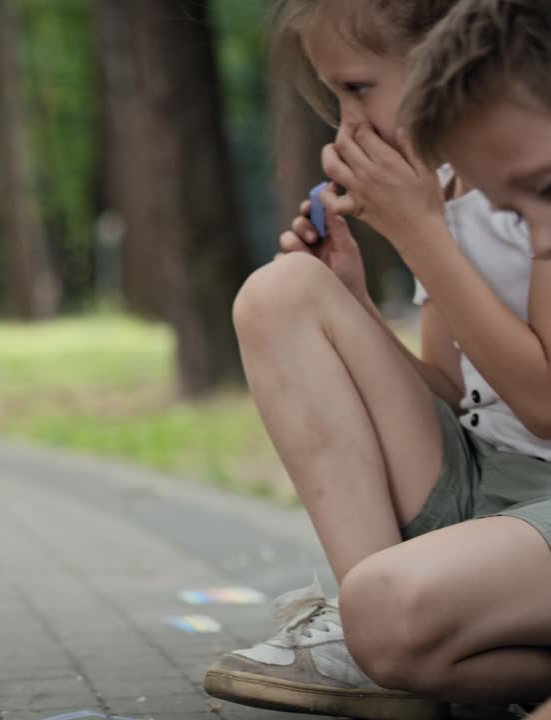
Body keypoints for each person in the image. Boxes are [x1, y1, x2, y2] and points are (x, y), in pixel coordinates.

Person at [202, 0, 551, 716]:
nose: (346, 128)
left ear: (453, 51)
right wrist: (355, 302)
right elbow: (456, 391)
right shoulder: (446, 187)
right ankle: (366, 642)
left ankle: (385, 631)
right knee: (281, 293)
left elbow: (545, 405)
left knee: (390, 611)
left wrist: (419, 231)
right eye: (336, 97)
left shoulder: (533, 181)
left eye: (358, 89)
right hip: (488, 481)